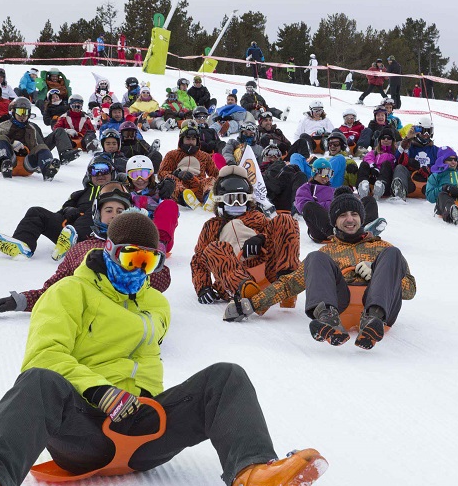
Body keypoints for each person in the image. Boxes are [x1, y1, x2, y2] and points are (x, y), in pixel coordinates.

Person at [0, 211, 326, 486]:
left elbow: (145, 360)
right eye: (132, 258)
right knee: (39, 380)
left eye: (150, 262)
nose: (140, 271)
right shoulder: (68, 292)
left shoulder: (156, 305)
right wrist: (99, 391)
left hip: (142, 432)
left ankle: (253, 482)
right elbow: (44, 354)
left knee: (226, 378)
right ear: (109, 252)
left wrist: (145, 403)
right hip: (84, 432)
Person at [224, 192, 415, 350]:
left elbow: (409, 291)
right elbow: (289, 284)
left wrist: (377, 272)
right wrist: (250, 304)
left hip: (380, 315)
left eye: (354, 214)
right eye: (342, 215)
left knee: (393, 253)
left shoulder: (382, 247)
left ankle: (373, 320)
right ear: (334, 221)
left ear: (361, 218)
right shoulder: (328, 252)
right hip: (342, 308)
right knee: (314, 258)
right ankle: (328, 319)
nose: (349, 219)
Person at [191, 166, 301, 305]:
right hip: (232, 278)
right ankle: (244, 289)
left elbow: (277, 236)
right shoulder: (212, 226)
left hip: (266, 269)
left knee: (285, 220)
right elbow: (198, 260)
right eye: (231, 199)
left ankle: (286, 279)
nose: (236, 204)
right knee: (213, 248)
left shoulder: (256, 217)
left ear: (248, 199)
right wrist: (203, 287)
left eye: (241, 199)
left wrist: (261, 238)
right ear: (220, 200)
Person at [0, 154, 117, 259]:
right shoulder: (79, 194)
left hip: (99, 232)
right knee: (36, 212)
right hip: (68, 233)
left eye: (104, 170)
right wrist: (68, 211)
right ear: (90, 175)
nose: (100, 174)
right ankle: (23, 245)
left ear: (112, 173)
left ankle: (73, 241)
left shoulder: (118, 191)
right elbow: (61, 212)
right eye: (95, 171)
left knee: (96, 209)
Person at [297, 159, 379, 243]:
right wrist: (332, 205)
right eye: (324, 173)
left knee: (368, 200)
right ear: (315, 172)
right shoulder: (306, 188)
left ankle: (364, 228)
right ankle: (336, 233)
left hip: (341, 223)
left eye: (330, 174)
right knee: (309, 206)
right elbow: (302, 207)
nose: (327, 177)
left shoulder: (333, 190)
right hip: (321, 229)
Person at [0, 97, 60, 180]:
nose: (22, 115)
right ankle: (5, 164)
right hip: (12, 161)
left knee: (41, 147)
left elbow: (34, 148)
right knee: (1, 138)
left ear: (29, 114)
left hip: (27, 165)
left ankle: (48, 168)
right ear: (14, 112)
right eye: (19, 112)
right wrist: (11, 144)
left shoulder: (31, 129)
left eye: (25, 112)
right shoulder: (4, 126)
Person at [124, 155, 180, 254]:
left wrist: (169, 187)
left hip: (157, 235)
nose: (140, 179)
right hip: (131, 237)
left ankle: (159, 245)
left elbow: (172, 215)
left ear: (151, 175)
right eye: (135, 175)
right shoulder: (125, 192)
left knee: (169, 204)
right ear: (128, 176)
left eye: (144, 174)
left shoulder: (159, 191)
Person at [157, 126, 219, 209]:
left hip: (198, 185)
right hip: (180, 185)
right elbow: (161, 173)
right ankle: (184, 197)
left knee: (210, 180)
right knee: (170, 179)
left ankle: (208, 197)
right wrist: (177, 173)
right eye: (188, 139)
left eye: (193, 139)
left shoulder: (204, 156)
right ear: (182, 140)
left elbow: (215, 174)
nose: (190, 142)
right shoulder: (172, 155)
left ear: (197, 141)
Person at [392, 116, 440, 200]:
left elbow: (442, 165)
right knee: (399, 167)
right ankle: (399, 192)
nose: (426, 135)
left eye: (429, 131)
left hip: (428, 184)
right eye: (424, 131)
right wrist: (407, 139)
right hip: (411, 182)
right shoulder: (409, 146)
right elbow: (396, 160)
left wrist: (430, 169)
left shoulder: (435, 150)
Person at [356, 128, 398, 199]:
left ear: (393, 141)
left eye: (389, 138)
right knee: (364, 164)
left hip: (386, 178)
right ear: (379, 140)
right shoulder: (374, 152)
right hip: (373, 176)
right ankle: (362, 185)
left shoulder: (395, 153)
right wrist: (373, 167)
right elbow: (367, 158)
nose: (386, 140)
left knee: (386, 164)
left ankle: (381, 186)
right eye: (383, 138)